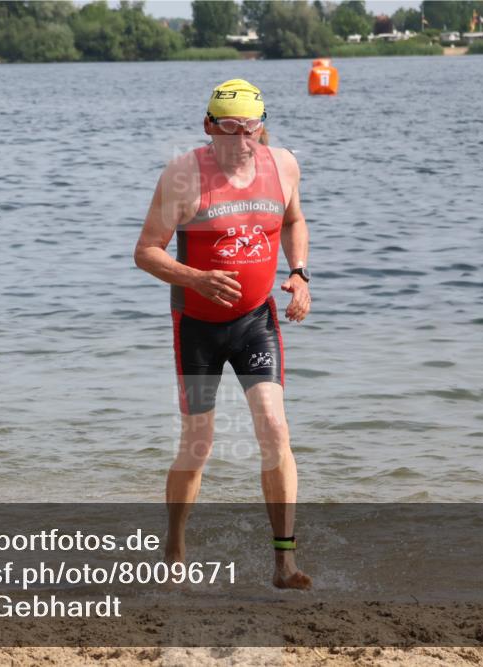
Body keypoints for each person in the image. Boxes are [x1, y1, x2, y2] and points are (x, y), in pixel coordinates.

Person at [133, 79, 312, 590]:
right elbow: (146, 250)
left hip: (257, 320)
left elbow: (295, 220)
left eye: (249, 127)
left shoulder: (284, 166)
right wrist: (196, 278)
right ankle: (175, 549)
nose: (240, 139)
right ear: (208, 125)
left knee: (275, 430)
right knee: (198, 445)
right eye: (228, 128)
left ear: (263, 125)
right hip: (197, 327)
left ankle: (284, 563)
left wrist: (299, 273)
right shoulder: (184, 175)